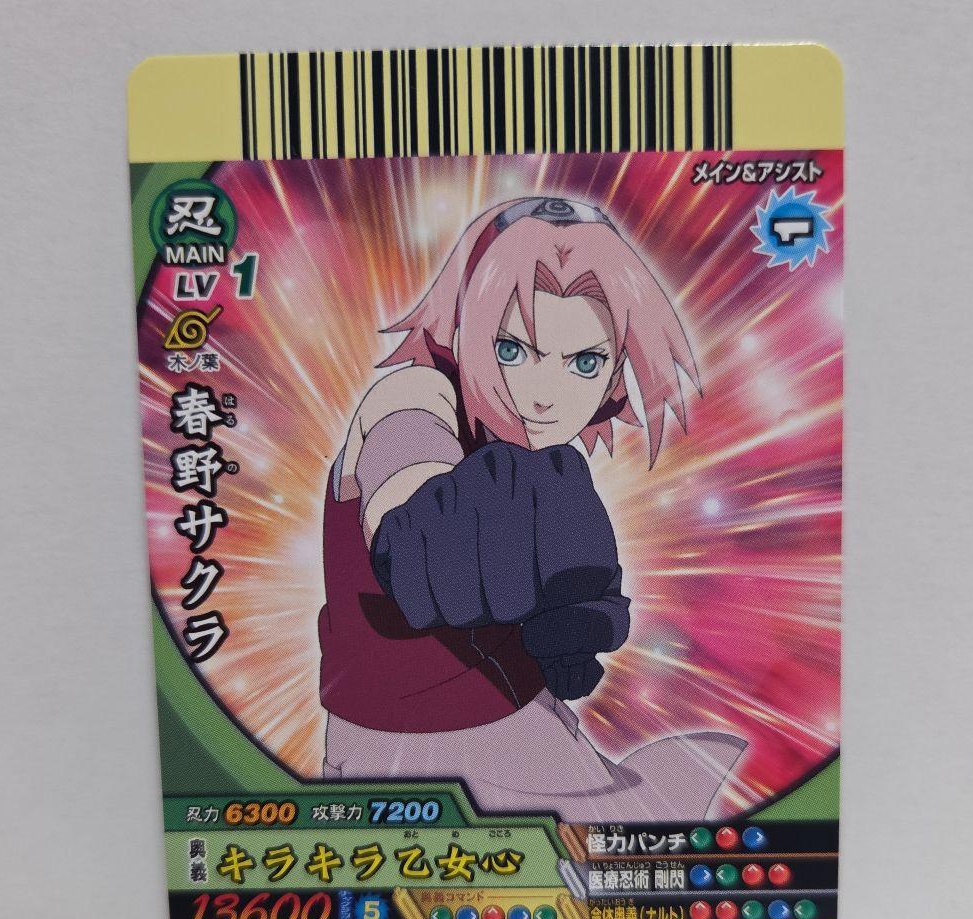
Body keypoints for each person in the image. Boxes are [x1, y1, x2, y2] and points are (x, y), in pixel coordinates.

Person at [317, 196, 743, 821]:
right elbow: (409, 510)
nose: (544, 395)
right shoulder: (415, 393)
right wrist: (446, 524)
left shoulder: (529, 454)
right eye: (512, 350)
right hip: (416, 762)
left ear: (616, 373)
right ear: (465, 327)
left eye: (585, 363)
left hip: (526, 731)